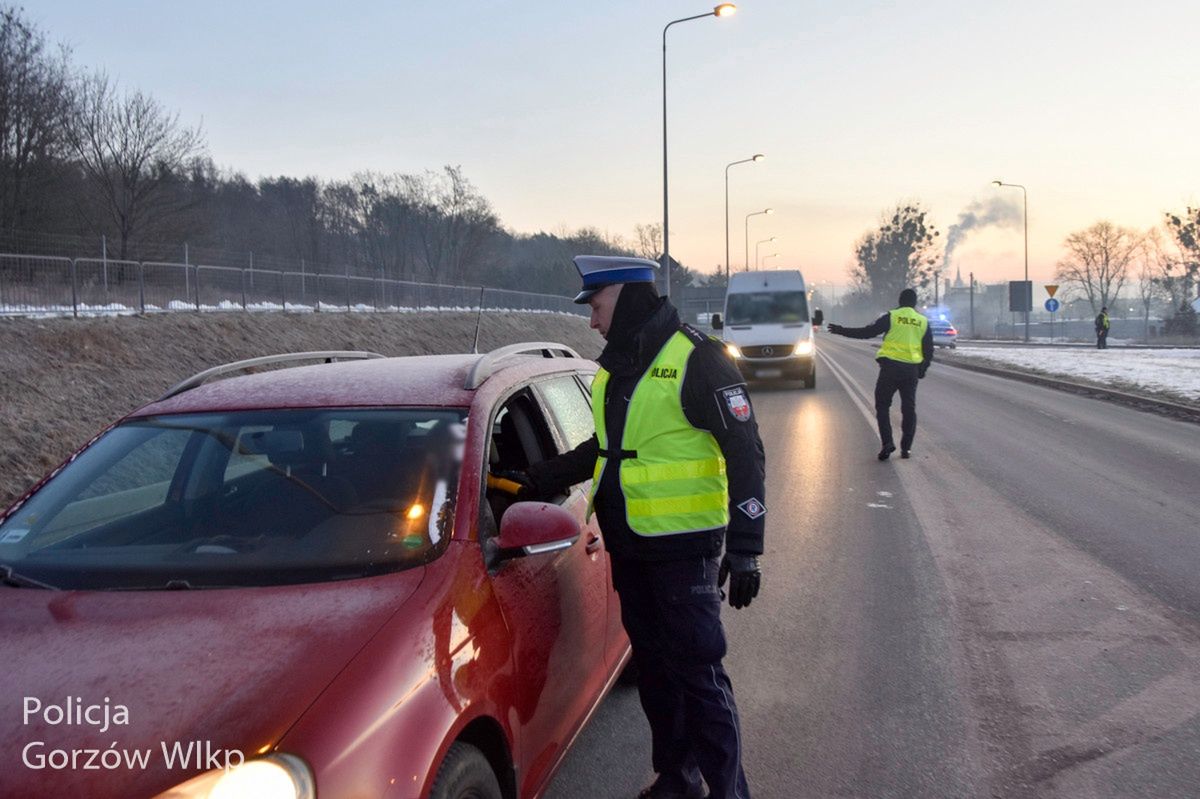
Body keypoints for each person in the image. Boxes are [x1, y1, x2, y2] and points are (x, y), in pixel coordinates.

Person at [515, 255, 766, 799]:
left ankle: (730, 792)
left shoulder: (699, 359)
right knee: (654, 673)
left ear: (626, 297)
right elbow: (604, 449)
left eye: (597, 307)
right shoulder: (616, 366)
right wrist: (534, 478)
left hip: (686, 552)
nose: (592, 320)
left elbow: (746, 452)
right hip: (630, 549)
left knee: (698, 675)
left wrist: (747, 549)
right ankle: (678, 778)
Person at [826, 288, 933, 460]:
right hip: (911, 371)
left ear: (900, 301)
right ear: (915, 303)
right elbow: (928, 349)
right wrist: (922, 369)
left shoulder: (892, 317)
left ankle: (887, 443)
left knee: (882, 406)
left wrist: (841, 330)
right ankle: (906, 448)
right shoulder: (922, 321)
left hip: (890, 369)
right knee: (909, 409)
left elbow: (867, 332)